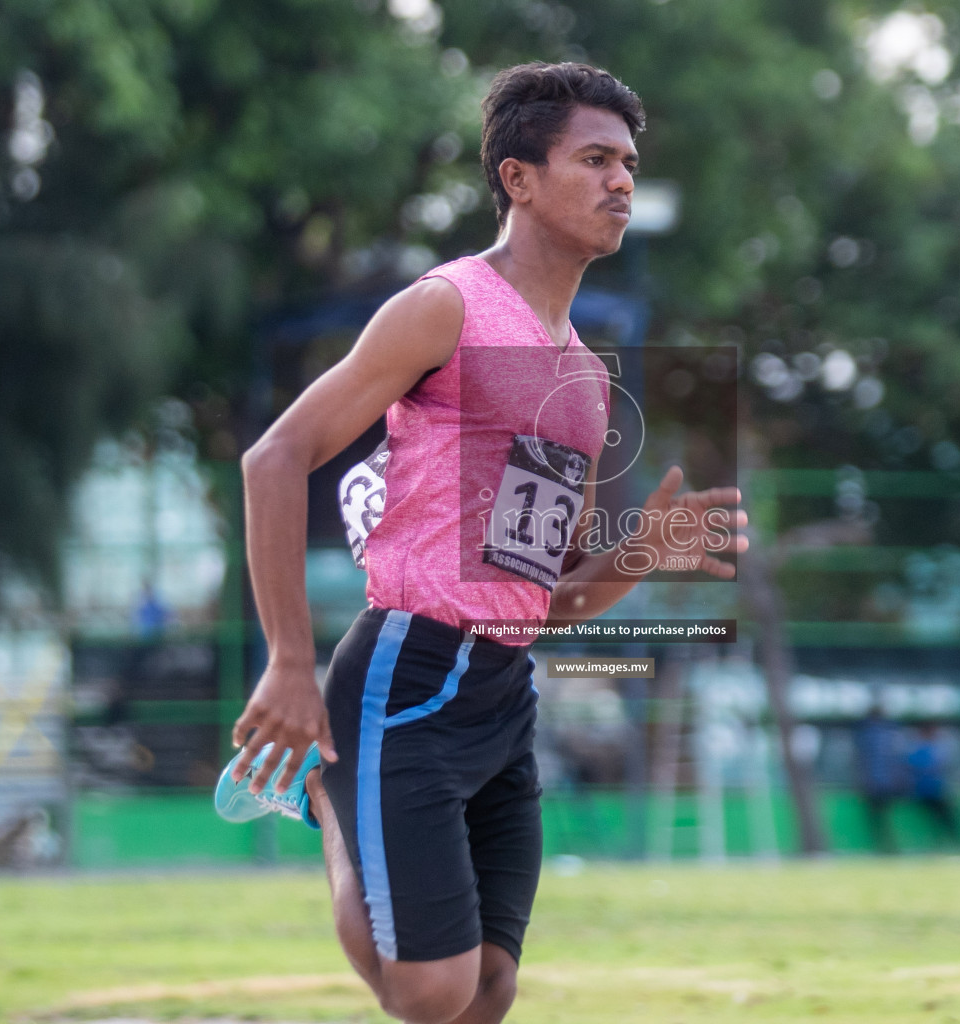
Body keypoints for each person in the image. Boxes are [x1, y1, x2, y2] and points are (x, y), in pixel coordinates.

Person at [211, 63, 747, 1024]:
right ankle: (327, 796)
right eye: (593, 159)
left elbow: (552, 599)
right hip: (403, 676)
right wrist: (289, 663)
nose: (620, 181)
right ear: (518, 179)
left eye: (627, 163)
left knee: (490, 991)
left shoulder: (582, 377)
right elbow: (274, 457)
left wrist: (640, 551)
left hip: (504, 696)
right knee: (431, 990)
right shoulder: (445, 307)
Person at [906, 719, 960, 850]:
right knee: (941, 821)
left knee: (950, 820)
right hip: (926, 791)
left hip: (937, 790)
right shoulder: (919, 748)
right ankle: (950, 844)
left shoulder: (935, 748)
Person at [852, 701, 905, 854]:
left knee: (880, 817)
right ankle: (888, 847)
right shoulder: (888, 732)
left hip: (876, 782)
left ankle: (886, 846)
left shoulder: (867, 732)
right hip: (881, 782)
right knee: (881, 816)